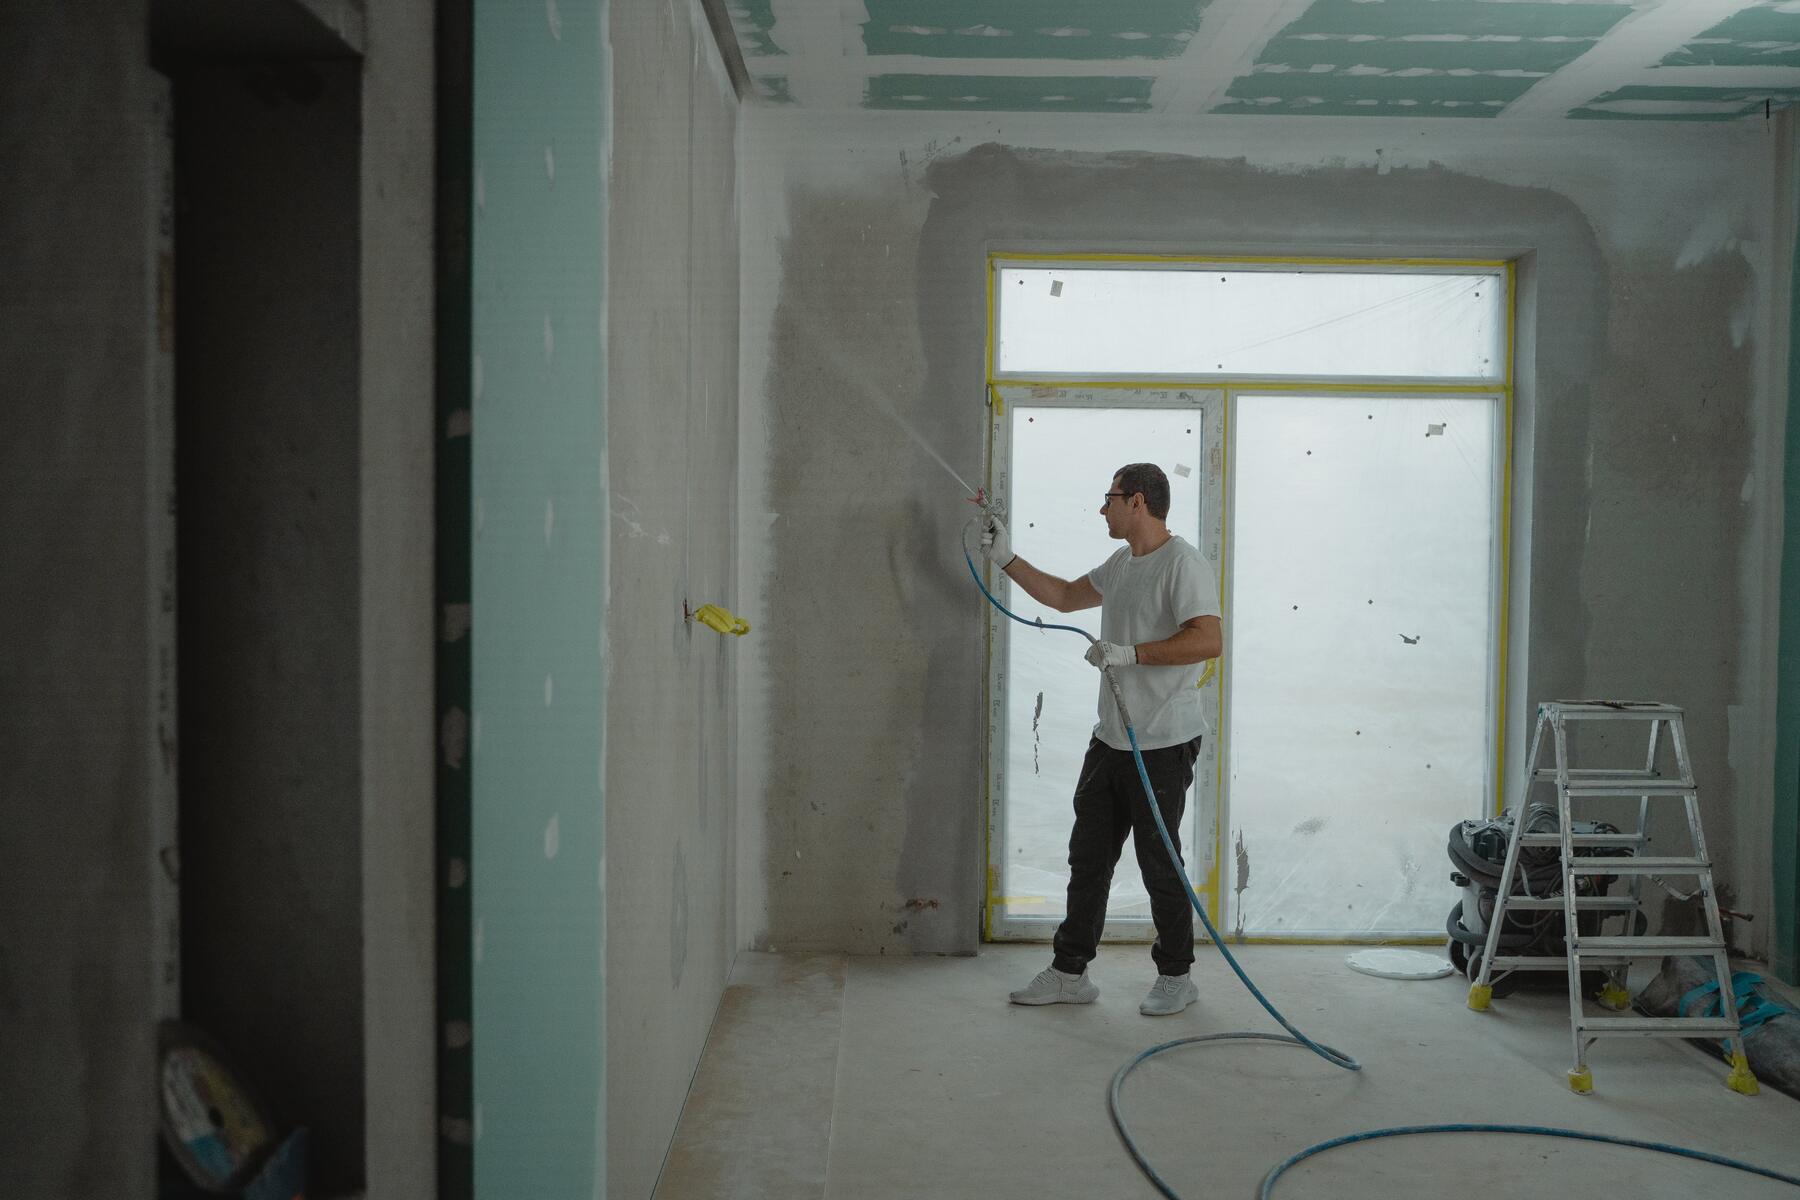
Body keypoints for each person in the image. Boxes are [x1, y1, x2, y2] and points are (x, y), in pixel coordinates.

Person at [982, 463, 1222, 1016]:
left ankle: (1176, 975)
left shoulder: (1182, 565)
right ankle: (1070, 972)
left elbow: (1208, 640)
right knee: (1088, 857)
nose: (1102, 508)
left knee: (1159, 859)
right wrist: (1007, 560)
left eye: (1109, 498)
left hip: (1161, 740)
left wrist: (1131, 653)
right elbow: (1065, 596)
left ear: (1136, 502)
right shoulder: (1123, 564)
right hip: (1111, 738)